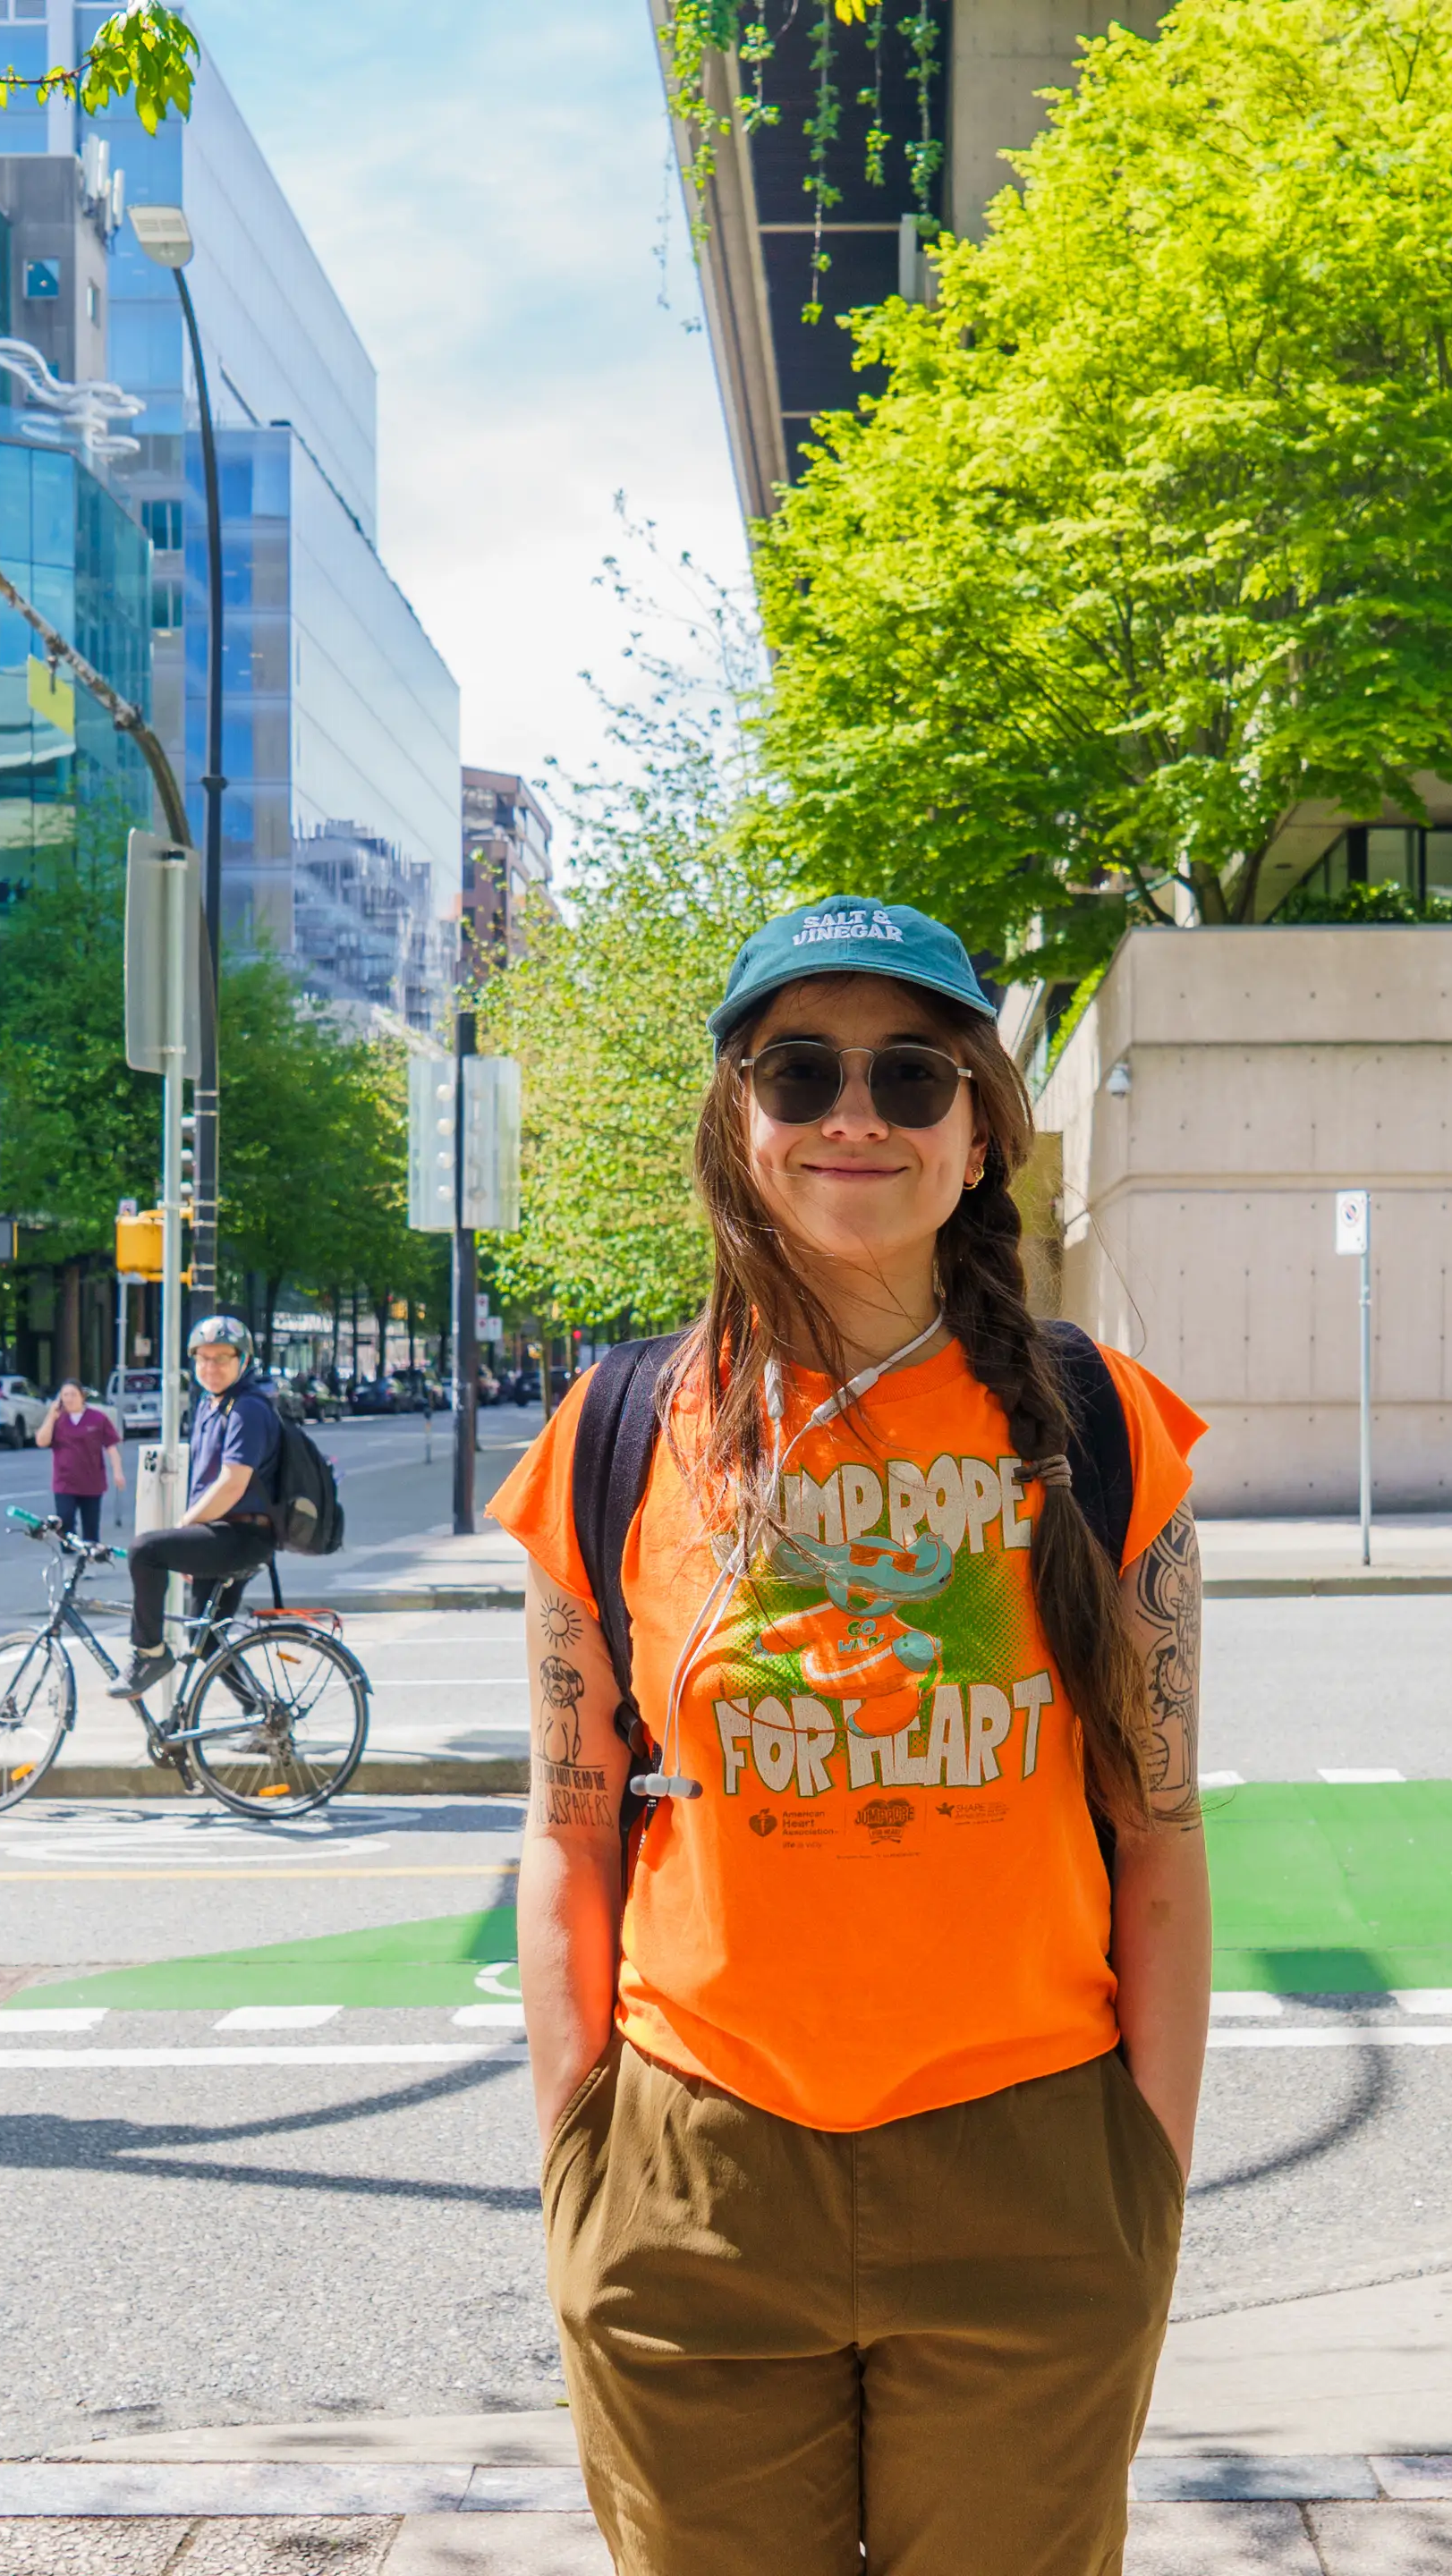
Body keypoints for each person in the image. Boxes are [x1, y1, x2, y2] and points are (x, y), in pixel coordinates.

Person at [488, 894, 1211, 2576]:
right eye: (799, 1071)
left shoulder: (1102, 1429)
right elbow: (571, 1829)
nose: (855, 1116)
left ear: (981, 1132)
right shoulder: (613, 1435)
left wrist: (1142, 2182)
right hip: (697, 2172)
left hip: (1034, 2158)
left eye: (911, 1074)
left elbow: (1160, 1830)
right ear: (738, 1127)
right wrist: (581, 2159)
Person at [112, 1314, 284, 1697]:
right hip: (225, 1533)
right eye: (203, 1358)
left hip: (241, 1535)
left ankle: (150, 1654)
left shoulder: (247, 1408)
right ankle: (264, 1718)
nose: (211, 1367)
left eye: (222, 1358)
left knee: (144, 1551)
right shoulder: (211, 1405)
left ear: (243, 1361)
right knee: (206, 1641)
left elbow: (231, 1483)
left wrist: (186, 1528)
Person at [31, 1378, 122, 1543]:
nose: (69, 1398)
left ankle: (89, 1561)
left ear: (82, 1396)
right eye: (65, 1395)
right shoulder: (57, 1420)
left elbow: (111, 1447)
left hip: (91, 1482)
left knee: (91, 1528)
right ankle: (69, 1559)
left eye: (73, 1394)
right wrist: (51, 1416)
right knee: (64, 1524)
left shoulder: (97, 1418)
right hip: (65, 1482)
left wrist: (117, 1472)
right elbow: (41, 1441)